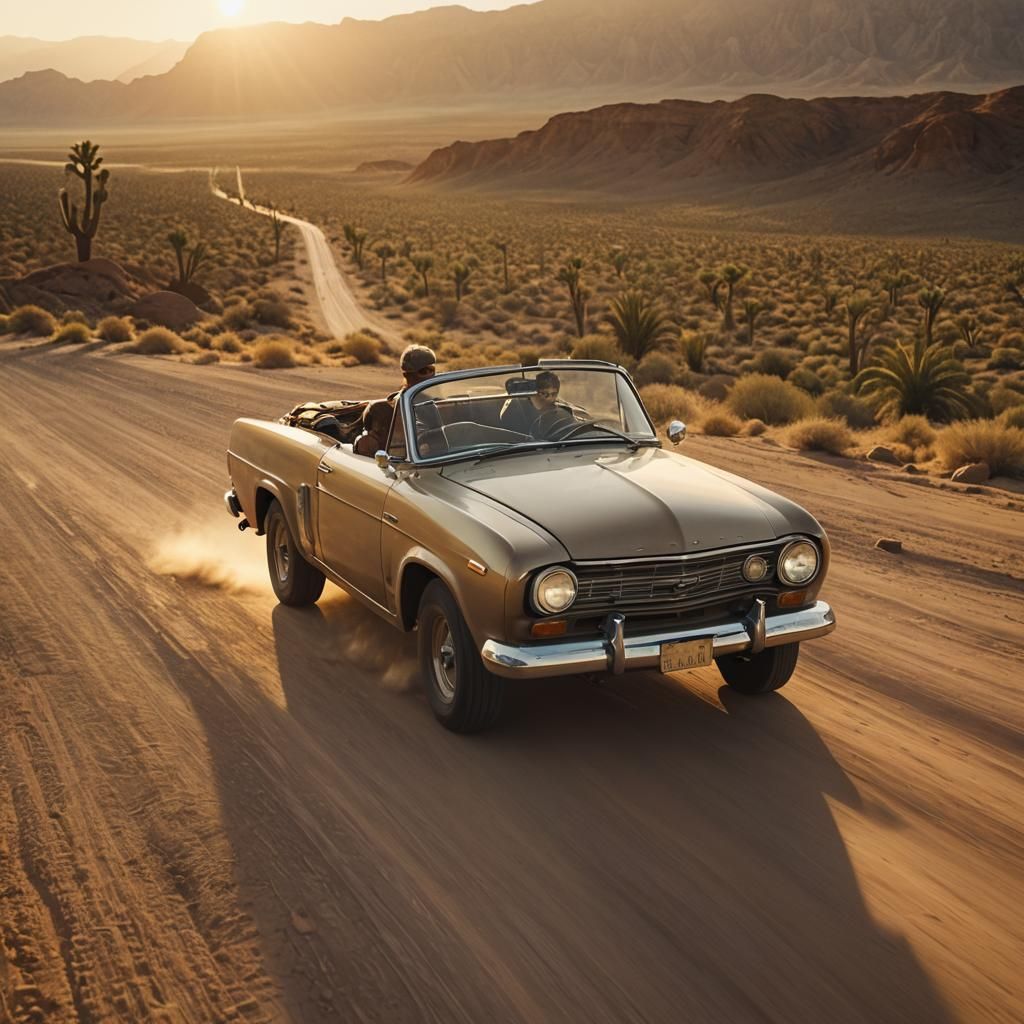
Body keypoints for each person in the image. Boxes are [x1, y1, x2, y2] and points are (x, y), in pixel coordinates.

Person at [499, 370, 565, 436]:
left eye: (554, 394)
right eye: (544, 393)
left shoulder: (561, 408)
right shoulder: (516, 409)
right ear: (535, 392)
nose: (549, 398)